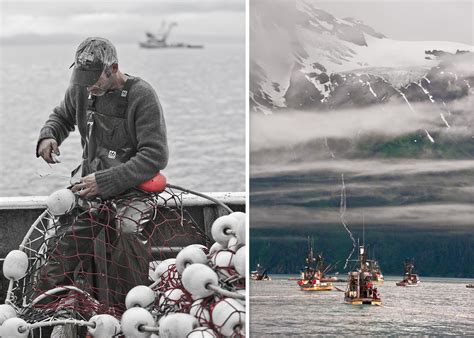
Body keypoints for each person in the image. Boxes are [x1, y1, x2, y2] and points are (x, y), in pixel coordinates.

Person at [35, 37, 168, 311]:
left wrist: (106, 181)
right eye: (84, 81)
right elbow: (62, 116)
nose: (89, 87)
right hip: (88, 186)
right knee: (65, 238)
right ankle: (40, 306)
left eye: (95, 81)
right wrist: (49, 137)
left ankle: (130, 311)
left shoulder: (142, 95)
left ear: (114, 68)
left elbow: (155, 156)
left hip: (133, 191)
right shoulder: (81, 87)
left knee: (128, 232)